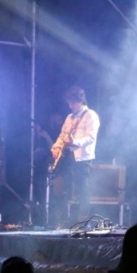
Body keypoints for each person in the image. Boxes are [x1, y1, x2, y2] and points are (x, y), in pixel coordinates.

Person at [50, 86, 100, 225]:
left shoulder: (91, 115)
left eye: (73, 102)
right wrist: (56, 146)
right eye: (69, 103)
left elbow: (91, 137)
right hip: (66, 156)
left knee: (82, 190)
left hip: (82, 157)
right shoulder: (69, 117)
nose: (70, 105)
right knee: (59, 186)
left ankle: (82, 222)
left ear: (81, 101)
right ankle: (63, 221)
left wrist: (75, 143)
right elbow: (62, 135)